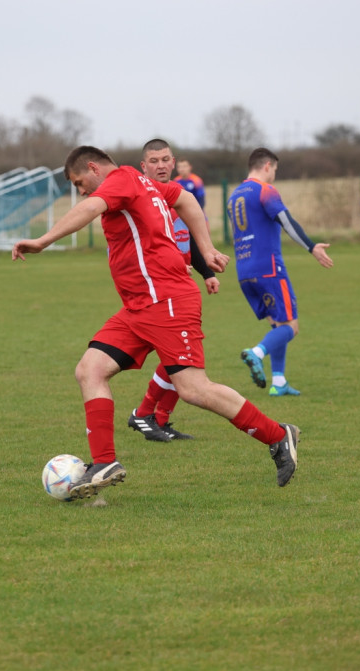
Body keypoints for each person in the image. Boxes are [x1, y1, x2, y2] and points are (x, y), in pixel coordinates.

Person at [12, 146, 301, 499]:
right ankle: (105, 462)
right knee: (90, 369)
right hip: (137, 307)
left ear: (92, 167)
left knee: (194, 389)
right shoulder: (141, 181)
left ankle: (277, 435)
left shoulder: (119, 181)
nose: (82, 191)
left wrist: (43, 240)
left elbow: (90, 208)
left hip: (166, 302)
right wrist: (206, 249)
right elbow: (188, 201)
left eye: (79, 182)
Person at [126, 139, 220, 443]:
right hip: (150, 289)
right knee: (179, 354)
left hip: (177, 284)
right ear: (144, 166)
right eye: (154, 161)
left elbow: (186, 236)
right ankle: (145, 414)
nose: (161, 166)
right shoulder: (135, 196)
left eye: (166, 159)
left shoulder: (175, 195)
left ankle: (155, 418)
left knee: (180, 354)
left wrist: (206, 271)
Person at [227, 147, 333, 396]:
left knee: (278, 325)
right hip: (269, 268)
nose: (274, 173)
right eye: (274, 168)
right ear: (267, 166)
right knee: (291, 327)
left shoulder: (234, 195)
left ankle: (279, 381)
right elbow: (286, 221)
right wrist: (311, 247)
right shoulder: (265, 190)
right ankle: (257, 352)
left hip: (244, 271)